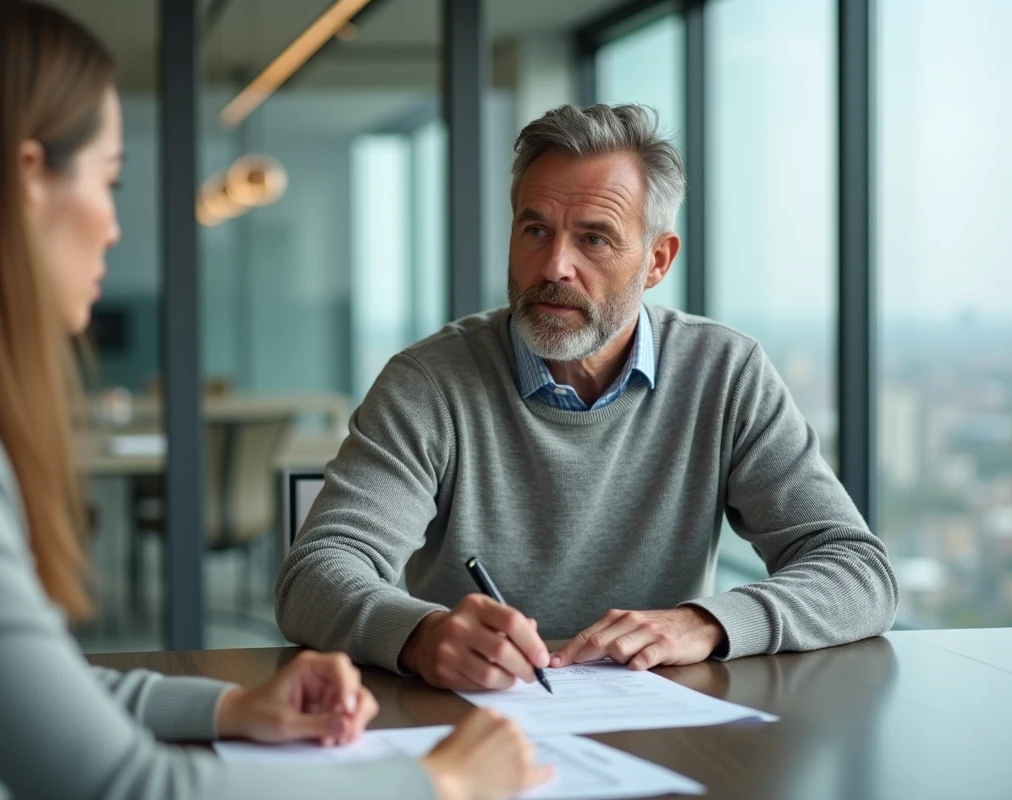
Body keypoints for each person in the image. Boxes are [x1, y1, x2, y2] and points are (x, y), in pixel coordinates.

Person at [0, 2, 551, 799]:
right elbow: (128, 786)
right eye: (109, 179)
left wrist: (234, 706)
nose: (116, 227)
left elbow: (41, 691)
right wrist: (435, 783)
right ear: (26, 179)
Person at [276, 103, 900, 691]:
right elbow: (316, 574)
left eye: (594, 238)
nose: (553, 267)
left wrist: (705, 623)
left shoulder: (726, 372)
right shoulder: (429, 383)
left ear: (657, 260)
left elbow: (857, 572)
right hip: (471, 726)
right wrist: (420, 633)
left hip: (665, 726)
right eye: (535, 230)